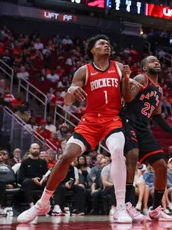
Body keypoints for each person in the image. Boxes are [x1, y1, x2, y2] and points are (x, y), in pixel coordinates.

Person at [17, 34, 140, 224]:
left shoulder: (117, 66)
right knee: (67, 156)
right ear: (92, 50)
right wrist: (71, 91)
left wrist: (126, 78)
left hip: (112, 119)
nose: (106, 45)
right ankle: (42, 203)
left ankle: (120, 206)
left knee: (117, 151)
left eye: (108, 43)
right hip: (90, 121)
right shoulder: (84, 71)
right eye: (101, 44)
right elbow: (67, 102)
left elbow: (128, 98)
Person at [122, 55, 172, 221]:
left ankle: (156, 209)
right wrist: (126, 79)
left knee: (161, 165)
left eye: (158, 61)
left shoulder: (159, 89)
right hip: (128, 122)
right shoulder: (141, 78)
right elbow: (128, 98)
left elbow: (157, 117)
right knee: (132, 155)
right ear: (144, 67)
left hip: (144, 127)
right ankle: (127, 205)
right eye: (152, 61)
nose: (157, 62)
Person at [16, 143, 48, 208]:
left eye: (37, 149)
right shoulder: (25, 162)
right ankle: (32, 205)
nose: (36, 150)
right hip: (30, 182)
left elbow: (46, 174)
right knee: (26, 182)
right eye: (34, 149)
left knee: (55, 183)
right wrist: (33, 179)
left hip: (41, 182)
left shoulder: (43, 162)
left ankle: (54, 206)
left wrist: (45, 177)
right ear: (30, 150)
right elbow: (20, 178)